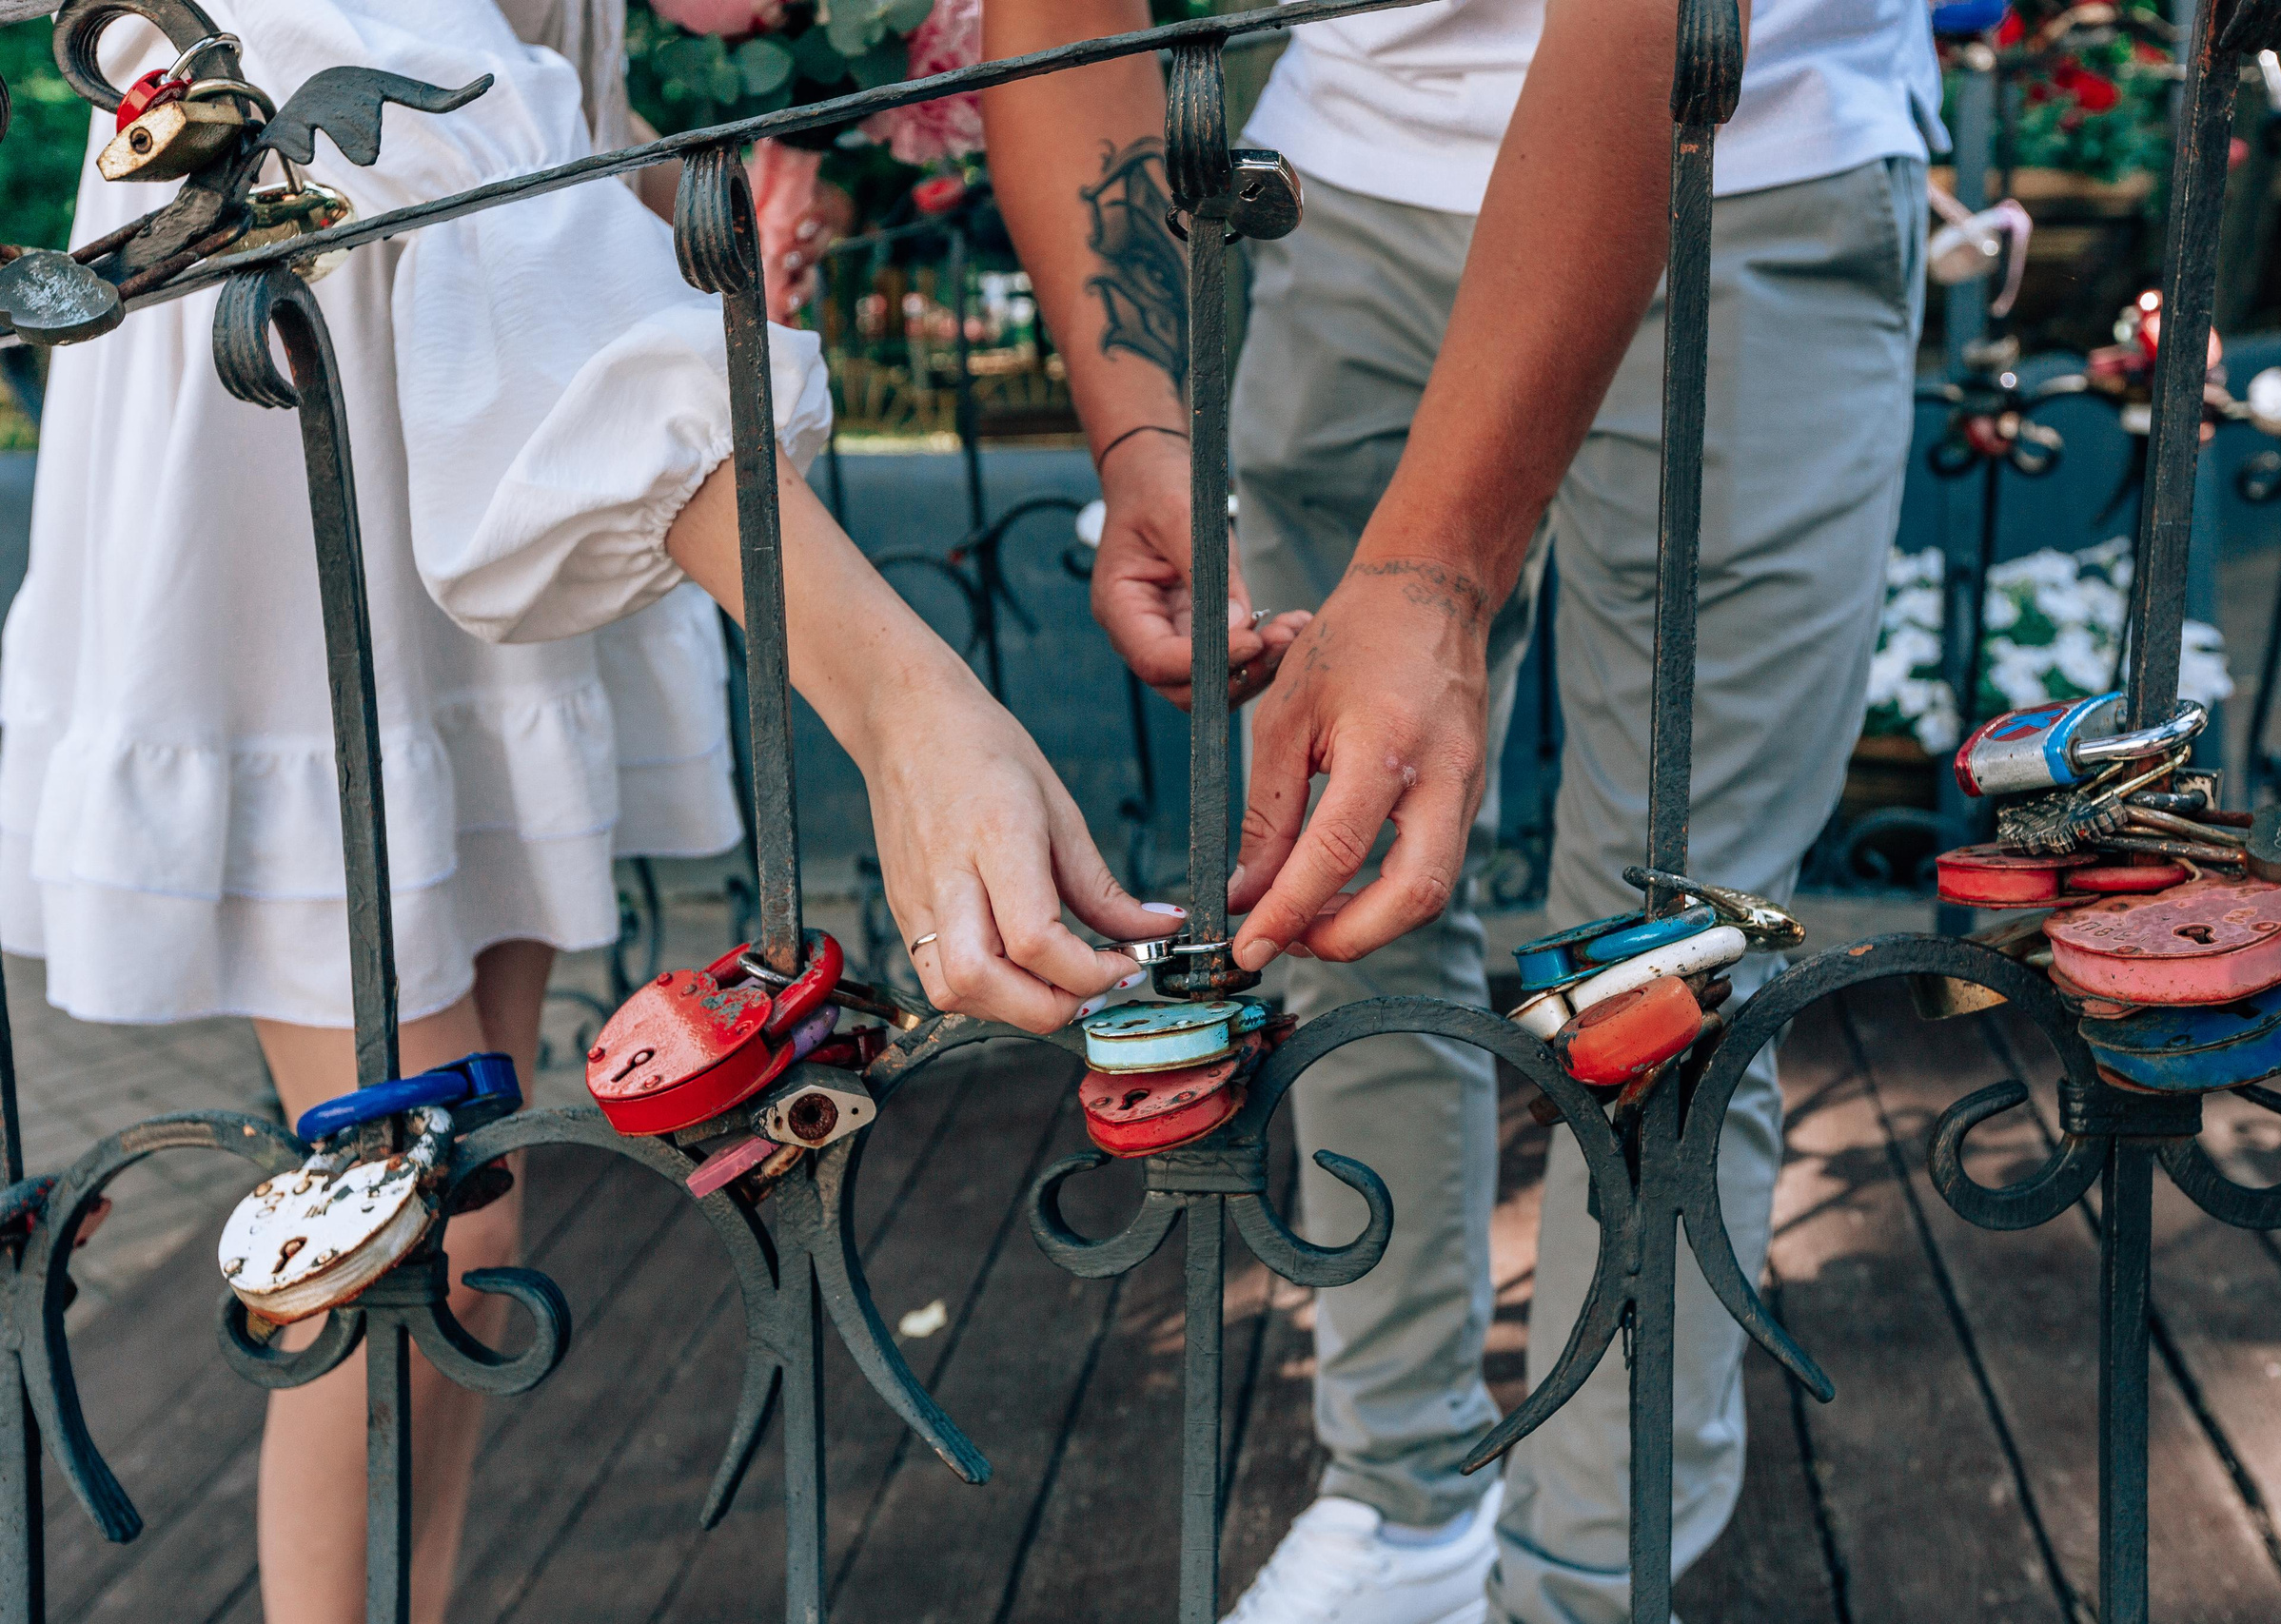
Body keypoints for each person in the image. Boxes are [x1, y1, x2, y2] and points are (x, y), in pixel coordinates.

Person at [4, 3, 1162, 1619]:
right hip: (293, 383)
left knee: (466, 1203)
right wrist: (907, 704)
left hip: (486, 385)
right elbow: (419, 98)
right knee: (392, 1226)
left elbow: (532, 137)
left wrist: (655, 234)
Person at [983, 1, 1940, 1618]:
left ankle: (1582, 1577)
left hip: (1751, 156)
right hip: (1346, 187)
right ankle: (1408, 1498)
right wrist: (1142, 428)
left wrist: (1435, 578)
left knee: (1671, 966)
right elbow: (1060, 19)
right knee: (1324, 890)